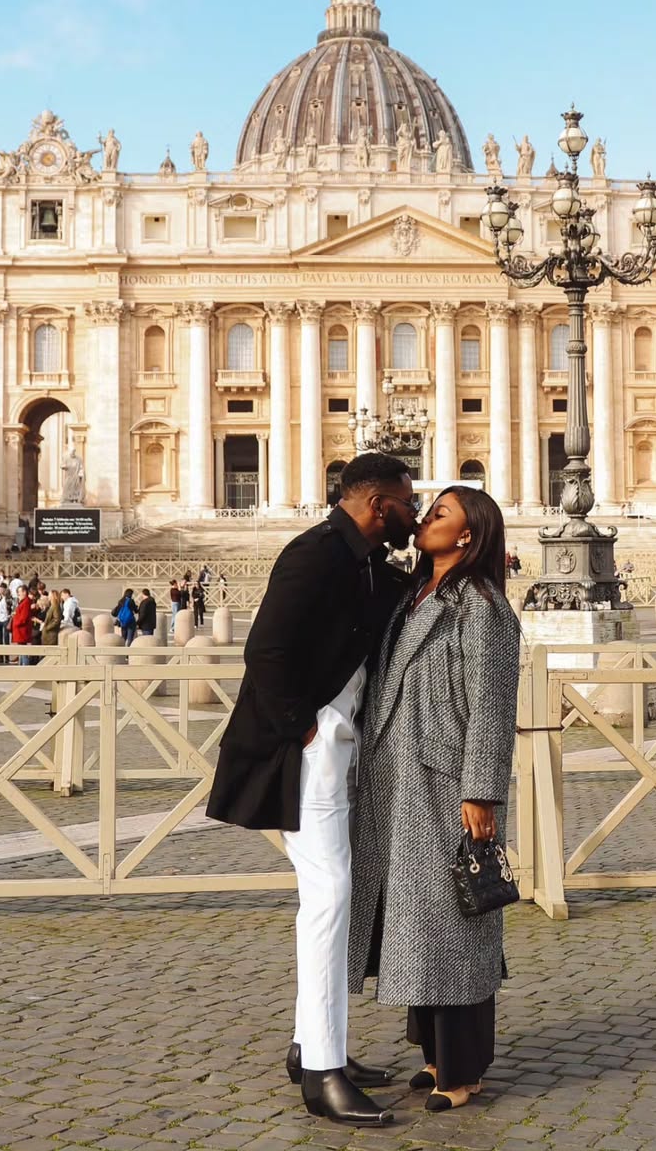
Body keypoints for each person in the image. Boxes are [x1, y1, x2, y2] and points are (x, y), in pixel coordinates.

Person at [207, 453, 415, 1128]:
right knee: (328, 898)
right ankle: (323, 1071)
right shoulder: (314, 554)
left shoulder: (361, 561)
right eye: (410, 500)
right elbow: (264, 651)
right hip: (312, 750)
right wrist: (303, 729)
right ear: (380, 504)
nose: (414, 512)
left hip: (337, 746)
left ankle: (312, 1046)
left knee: (333, 895)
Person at [348, 486, 520, 1113]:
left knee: (454, 923)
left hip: (446, 782)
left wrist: (482, 790)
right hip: (399, 779)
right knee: (413, 919)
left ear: (469, 534)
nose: (424, 519)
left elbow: (493, 704)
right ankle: (431, 1052)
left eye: (440, 513)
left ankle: (463, 1070)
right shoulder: (417, 593)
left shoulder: (483, 606)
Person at [9, 585, 34, 667]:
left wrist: (15, 623)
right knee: (21, 651)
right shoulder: (24, 601)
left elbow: (24, 618)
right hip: (20, 630)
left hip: (22, 630)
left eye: (19, 592)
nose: (18, 594)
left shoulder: (26, 602)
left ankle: (24, 669)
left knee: (23, 652)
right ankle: (21, 667)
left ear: (24, 592)